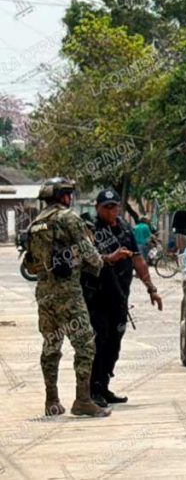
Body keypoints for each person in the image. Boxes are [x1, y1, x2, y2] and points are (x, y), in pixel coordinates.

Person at [25, 177, 109, 417]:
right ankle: (82, 400)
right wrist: (99, 263)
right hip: (68, 293)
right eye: (68, 194)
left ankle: (51, 400)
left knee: (51, 345)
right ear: (63, 196)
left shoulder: (35, 224)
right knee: (85, 345)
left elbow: (30, 266)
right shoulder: (68, 217)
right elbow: (89, 253)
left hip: (44, 294)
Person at [80, 189, 163, 407]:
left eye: (114, 206)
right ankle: (92, 390)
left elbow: (138, 261)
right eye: (106, 207)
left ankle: (104, 386)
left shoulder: (126, 229)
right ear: (97, 208)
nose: (111, 211)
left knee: (114, 344)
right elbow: (85, 260)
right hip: (97, 297)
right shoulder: (90, 229)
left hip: (119, 297)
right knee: (99, 341)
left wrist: (151, 288)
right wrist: (110, 257)